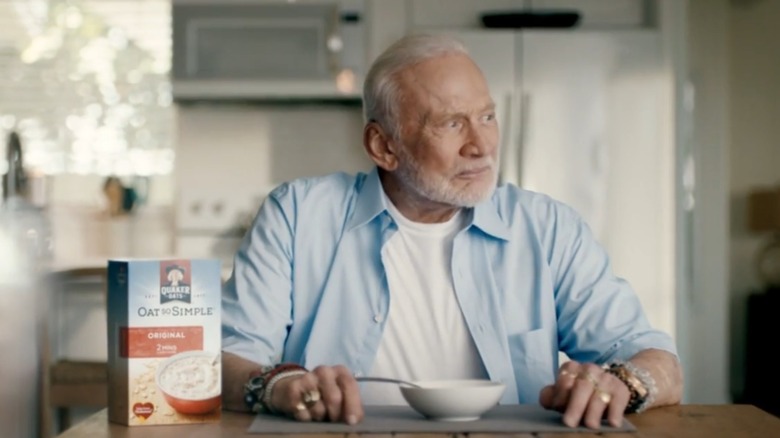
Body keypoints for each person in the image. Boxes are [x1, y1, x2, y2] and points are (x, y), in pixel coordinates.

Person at [221, 33, 682, 430]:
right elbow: (225, 360)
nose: (480, 146)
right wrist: (279, 385)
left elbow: (657, 360)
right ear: (383, 146)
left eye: (486, 116)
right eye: (451, 123)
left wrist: (622, 383)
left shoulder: (546, 228)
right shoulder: (298, 215)